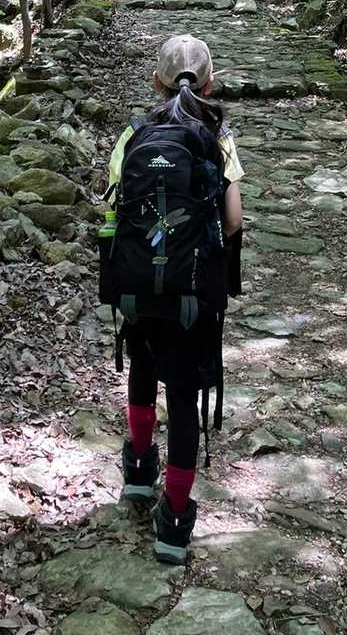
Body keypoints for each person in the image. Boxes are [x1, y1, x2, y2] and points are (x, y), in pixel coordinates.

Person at [104, 33, 243, 563]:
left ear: (155, 82)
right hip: (192, 292)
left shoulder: (134, 134)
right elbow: (234, 220)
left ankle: (139, 470)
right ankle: (174, 522)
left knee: (142, 367)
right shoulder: (217, 137)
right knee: (183, 396)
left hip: (139, 285)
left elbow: (113, 211)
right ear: (210, 84)